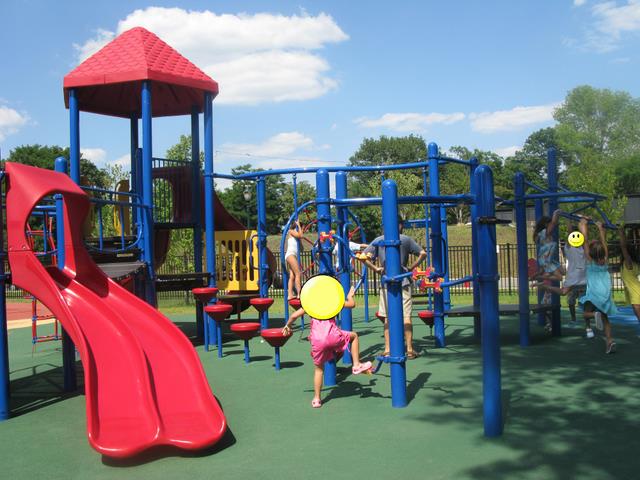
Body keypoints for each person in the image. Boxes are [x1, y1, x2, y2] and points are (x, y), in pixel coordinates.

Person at [282, 285, 372, 408]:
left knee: (319, 370)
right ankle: (356, 365)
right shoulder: (332, 303)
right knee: (354, 336)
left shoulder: (310, 305)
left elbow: (293, 316)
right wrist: (350, 296)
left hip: (317, 340)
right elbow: (352, 304)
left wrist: (287, 326)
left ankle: (317, 399)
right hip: (332, 336)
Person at [358, 217, 427, 359]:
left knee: (387, 318)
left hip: (386, 282)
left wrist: (376, 268)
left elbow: (362, 257)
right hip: (404, 281)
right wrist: (411, 268)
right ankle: (409, 349)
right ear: (400, 226)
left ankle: (388, 349)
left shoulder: (379, 240)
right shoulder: (405, 239)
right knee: (406, 317)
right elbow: (423, 253)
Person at [578, 218, 617, 353]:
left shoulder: (590, 261)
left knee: (585, 314)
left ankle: (595, 315)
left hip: (594, 294)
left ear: (591, 254)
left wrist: (583, 225)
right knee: (605, 319)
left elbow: (585, 241)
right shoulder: (605, 260)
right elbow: (604, 242)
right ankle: (609, 341)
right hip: (604, 295)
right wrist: (601, 228)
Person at [619, 226, 640, 336]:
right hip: (636, 290)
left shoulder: (629, 263)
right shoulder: (634, 263)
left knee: (638, 314)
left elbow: (623, 247)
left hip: (636, 292)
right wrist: (632, 233)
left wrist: (621, 233)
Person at [284, 220, 304, 299]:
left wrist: (300, 241)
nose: (303, 230)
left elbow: (302, 249)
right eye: (302, 228)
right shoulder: (291, 231)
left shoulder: (297, 237)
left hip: (292, 256)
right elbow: (301, 235)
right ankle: (299, 293)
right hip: (290, 255)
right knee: (298, 274)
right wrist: (299, 225)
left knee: (292, 276)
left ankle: (290, 295)